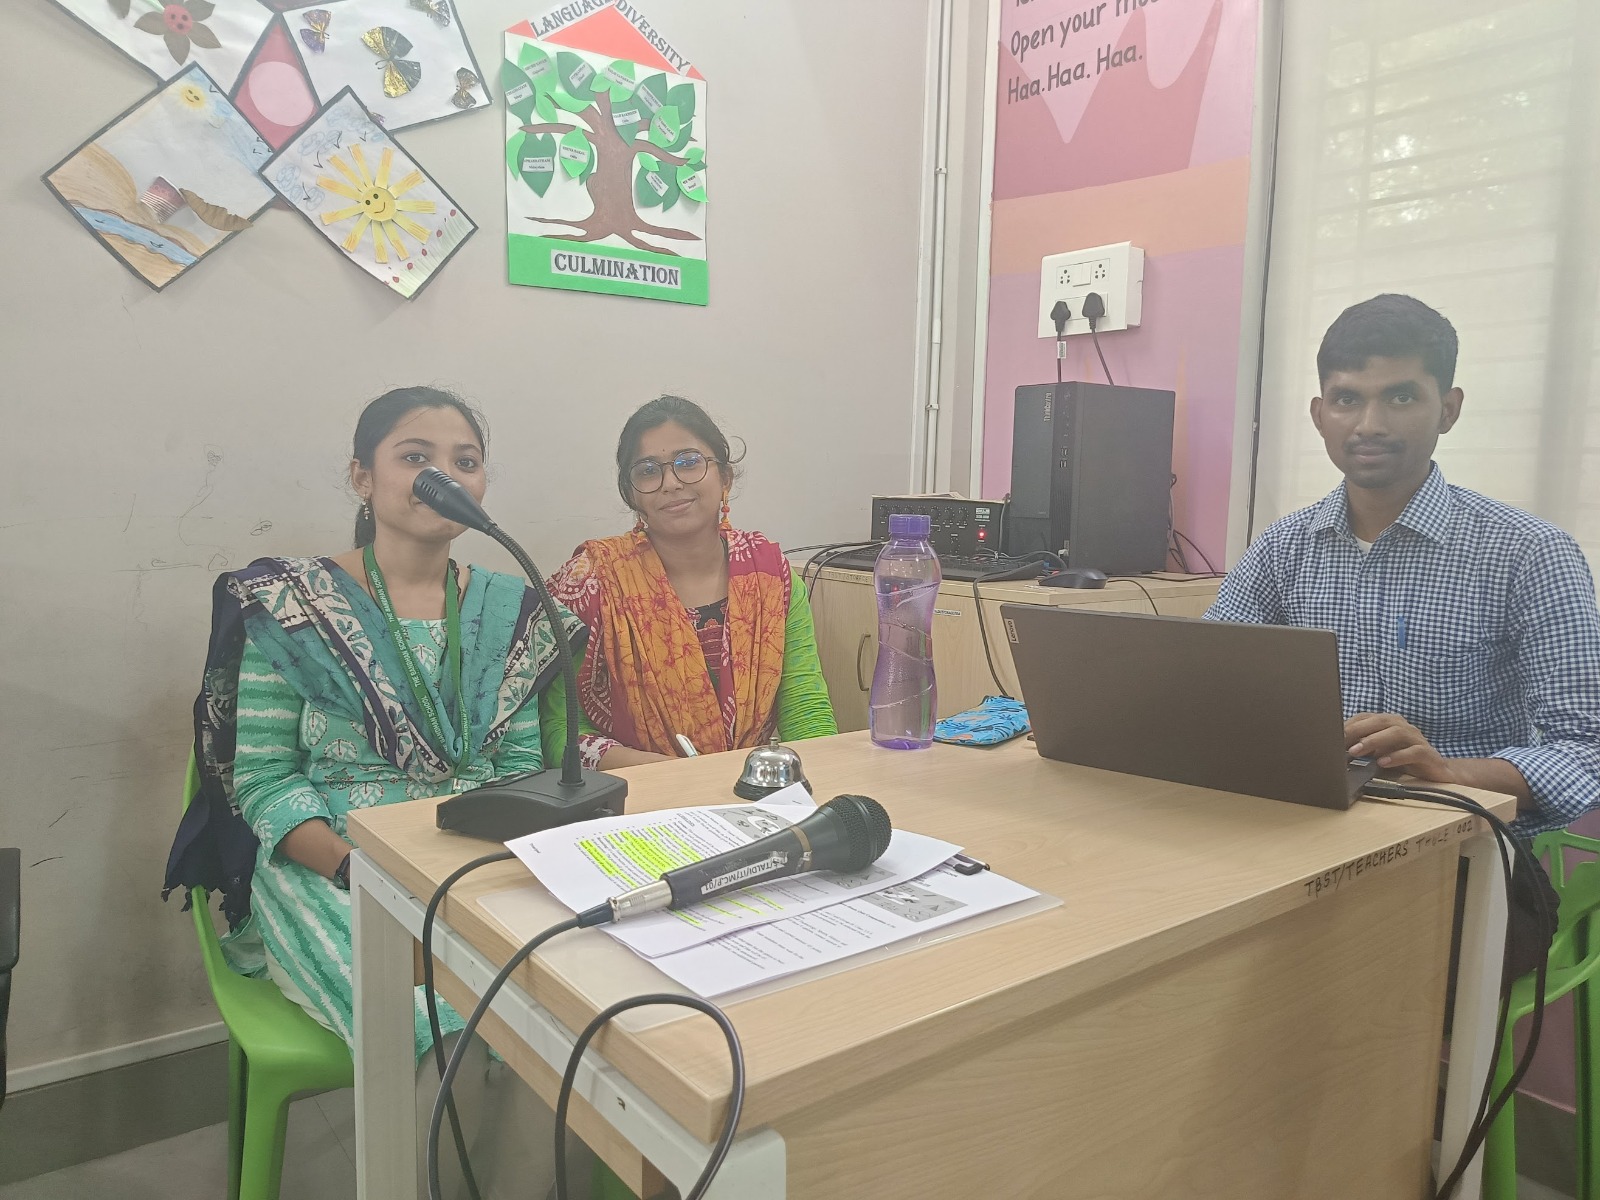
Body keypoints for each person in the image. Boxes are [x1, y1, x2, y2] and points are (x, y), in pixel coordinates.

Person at [173, 386, 590, 1197]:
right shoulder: (292, 608)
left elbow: (523, 775)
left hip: (472, 864)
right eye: (415, 457)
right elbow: (263, 779)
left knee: (564, 1030)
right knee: (450, 1036)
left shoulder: (512, 613)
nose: (443, 475)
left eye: (465, 461)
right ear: (362, 478)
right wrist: (358, 873)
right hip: (336, 868)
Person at [1206, 295, 1600, 969]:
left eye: (1400, 397)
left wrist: (1449, 773)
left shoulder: (1530, 554)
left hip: (1466, 849)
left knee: (1338, 967)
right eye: (1347, 399)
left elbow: (1587, 749)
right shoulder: (1281, 549)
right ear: (1319, 414)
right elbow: (1207, 686)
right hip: (1304, 833)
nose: (1370, 424)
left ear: (1448, 408)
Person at [550, 396, 837, 767]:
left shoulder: (771, 578)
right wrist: (672, 775)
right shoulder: (591, 582)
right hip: (633, 791)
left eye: (688, 462)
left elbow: (807, 711)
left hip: (748, 789)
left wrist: (819, 782)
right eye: (647, 470)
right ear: (632, 494)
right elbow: (561, 730)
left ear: (725, 477)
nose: (670, 483)